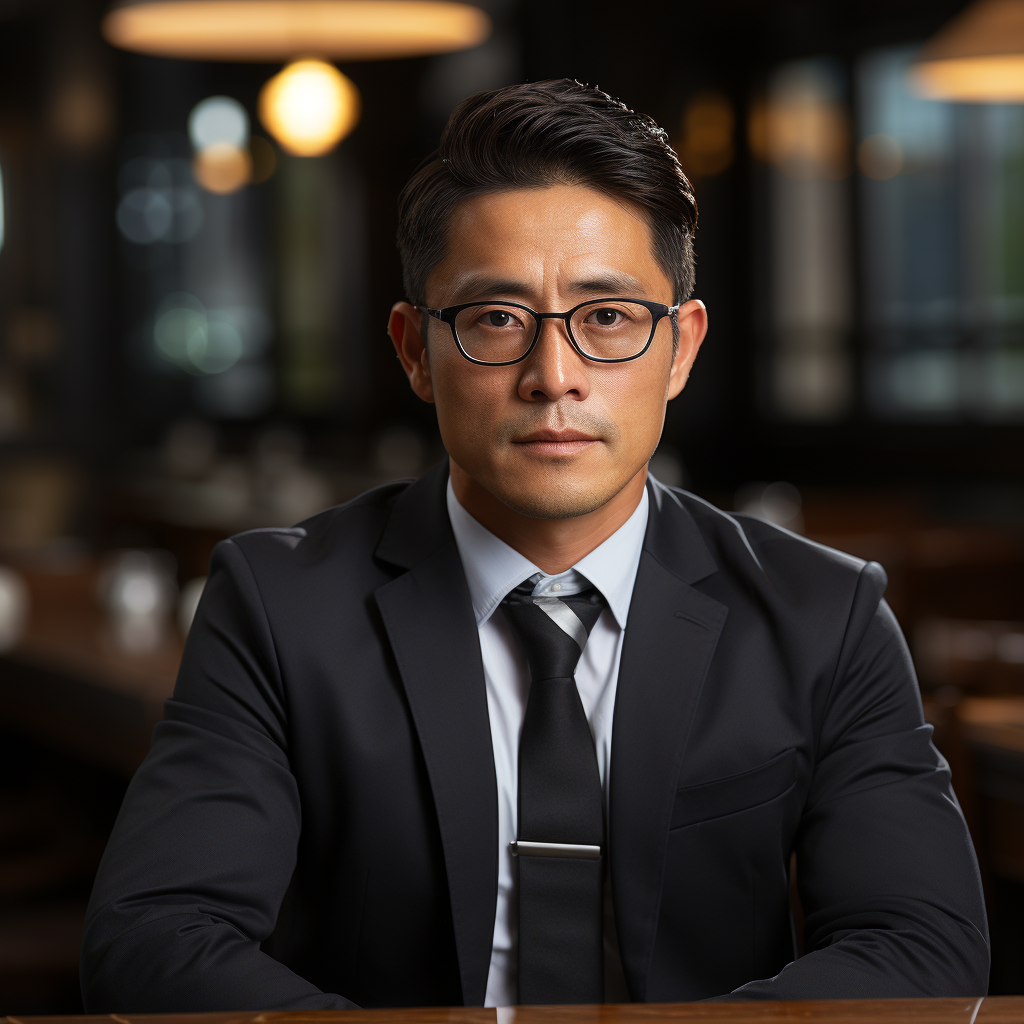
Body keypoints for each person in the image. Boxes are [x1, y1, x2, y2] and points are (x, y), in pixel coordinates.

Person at [80, 80, 989, 1011]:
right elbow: (156, 933)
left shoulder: (823, 615)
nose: (553, 378)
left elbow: (919, 941)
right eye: (496, 320)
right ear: (412, 351)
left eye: (607, 318)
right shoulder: (278, 605)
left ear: (680, 348)